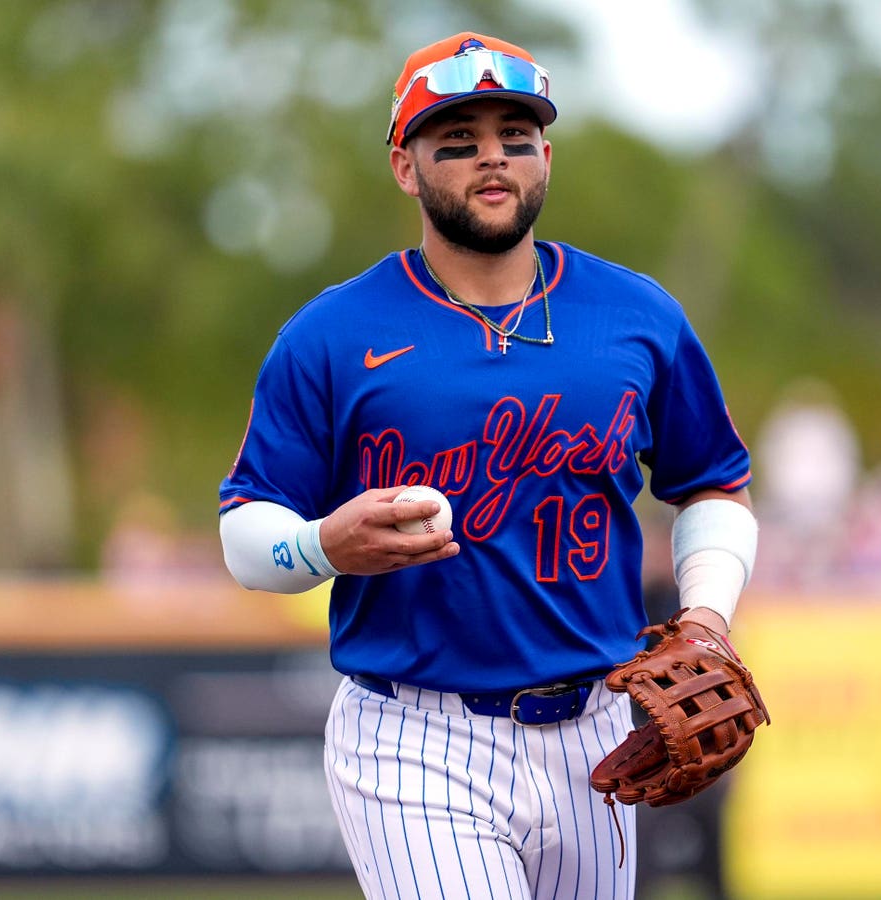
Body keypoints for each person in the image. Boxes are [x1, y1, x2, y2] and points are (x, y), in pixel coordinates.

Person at [217, 32, 757, 900]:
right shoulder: (332, 332)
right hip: (416, 733)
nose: (492, 157)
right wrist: (324, 545)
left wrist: (705, 620)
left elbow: (715, 485)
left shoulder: (636, 316)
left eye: (516, 134)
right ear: (405, 165)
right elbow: (247, 536)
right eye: (457, 140)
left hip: (598, 731)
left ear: (547, 153)